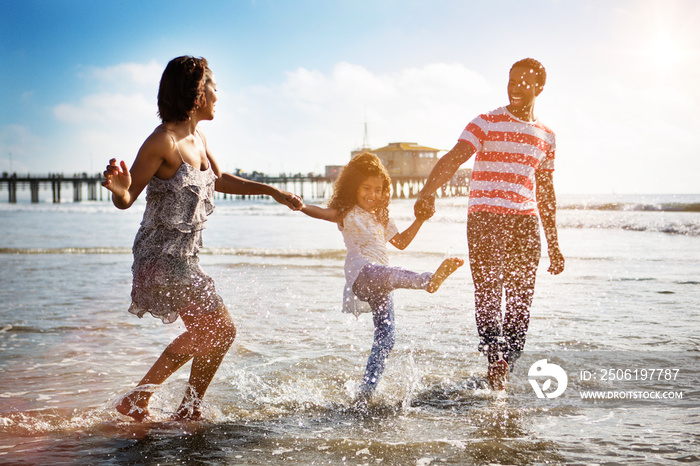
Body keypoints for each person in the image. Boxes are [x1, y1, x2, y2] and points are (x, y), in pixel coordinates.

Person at [102, 56, 302, 421]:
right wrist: (119, 189)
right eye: (212, 87)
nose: (217, 95)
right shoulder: (161, 142)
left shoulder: (199, 138)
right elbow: (127, 198)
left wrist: (272, 191)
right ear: (196, 94)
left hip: (185, 260)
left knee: (217, 332)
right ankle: (153, 400)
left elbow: (222, 180)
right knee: (220, 329)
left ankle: (180, 405)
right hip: (160, 259)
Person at [414, 58, 565, 391]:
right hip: (485, 218)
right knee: (488, 292)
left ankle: (505, 363)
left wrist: (554, 244)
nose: (514, 87)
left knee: (521, 299)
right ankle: (494, 353)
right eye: (511, 80)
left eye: (524, 82)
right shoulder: (485, 122)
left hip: (526, 223)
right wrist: (427, 192)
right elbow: (454, 157)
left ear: (539, 88)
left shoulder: (547, 136)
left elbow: (546, 192)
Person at [298, 152, 464, 403]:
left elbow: (402, 242)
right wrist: (300, 206)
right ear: (353, 187)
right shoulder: (346, 211)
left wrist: (420, 219)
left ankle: (366, 392)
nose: (372, 195)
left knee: (386, 337)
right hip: (362, 272)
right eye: (366, 188)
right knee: (391, 274)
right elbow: (322, 212)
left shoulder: (382, 216)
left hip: (382, 281)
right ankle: (428, 281)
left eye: (378, 189)